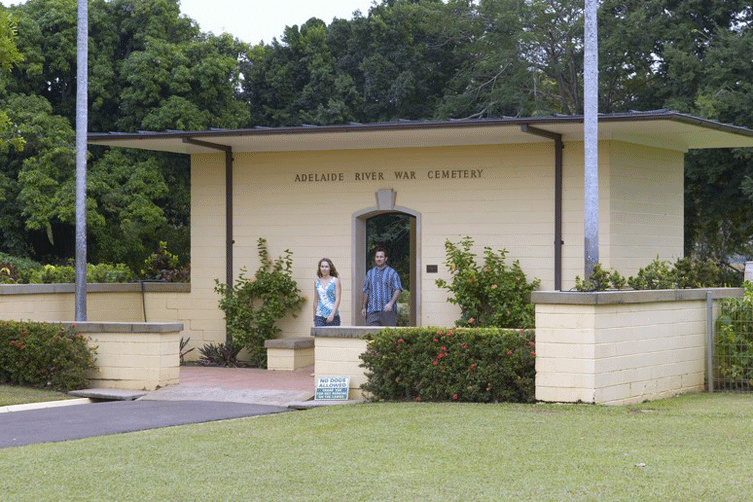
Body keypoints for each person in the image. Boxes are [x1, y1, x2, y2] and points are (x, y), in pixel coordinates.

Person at [361, 247, 403, 326]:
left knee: (388, 336)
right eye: (377, 257)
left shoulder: (392, 273)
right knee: (371, 335)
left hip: (388, 312)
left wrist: (391, 304)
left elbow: (398, 289)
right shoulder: (370, 273)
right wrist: (363, 307)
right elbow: (366, 291)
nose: (379, 259)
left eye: (381, 257)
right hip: (372, 312)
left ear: (385, 258)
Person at [313, 258, 341, 326]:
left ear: (330, 268)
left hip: (332, 315)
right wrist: (314, 315)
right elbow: (316, 299)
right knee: (319, 335)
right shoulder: (316, 282)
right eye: (322, 266)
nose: (324, 269)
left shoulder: (335, 281)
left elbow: (337, 299)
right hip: (319, 315)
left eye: (326, 266)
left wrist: (332, 314)